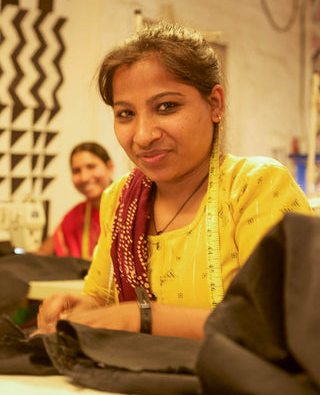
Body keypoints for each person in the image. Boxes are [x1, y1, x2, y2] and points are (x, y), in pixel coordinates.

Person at [35, 22, 313, 339]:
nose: (143, 135)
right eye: (125, 113)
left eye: (166, 107)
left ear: (215, 104)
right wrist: (80, 306)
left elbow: (278, 325)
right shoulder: (120, 200)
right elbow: (104, 297)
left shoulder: (254, 187)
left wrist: (142, 318)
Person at [36, 142, 114, 260]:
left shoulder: (131, 209)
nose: (84, 177)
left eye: (91, 166)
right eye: (76, 171)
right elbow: (42, 254)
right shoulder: (75, 216)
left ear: (110, 167)